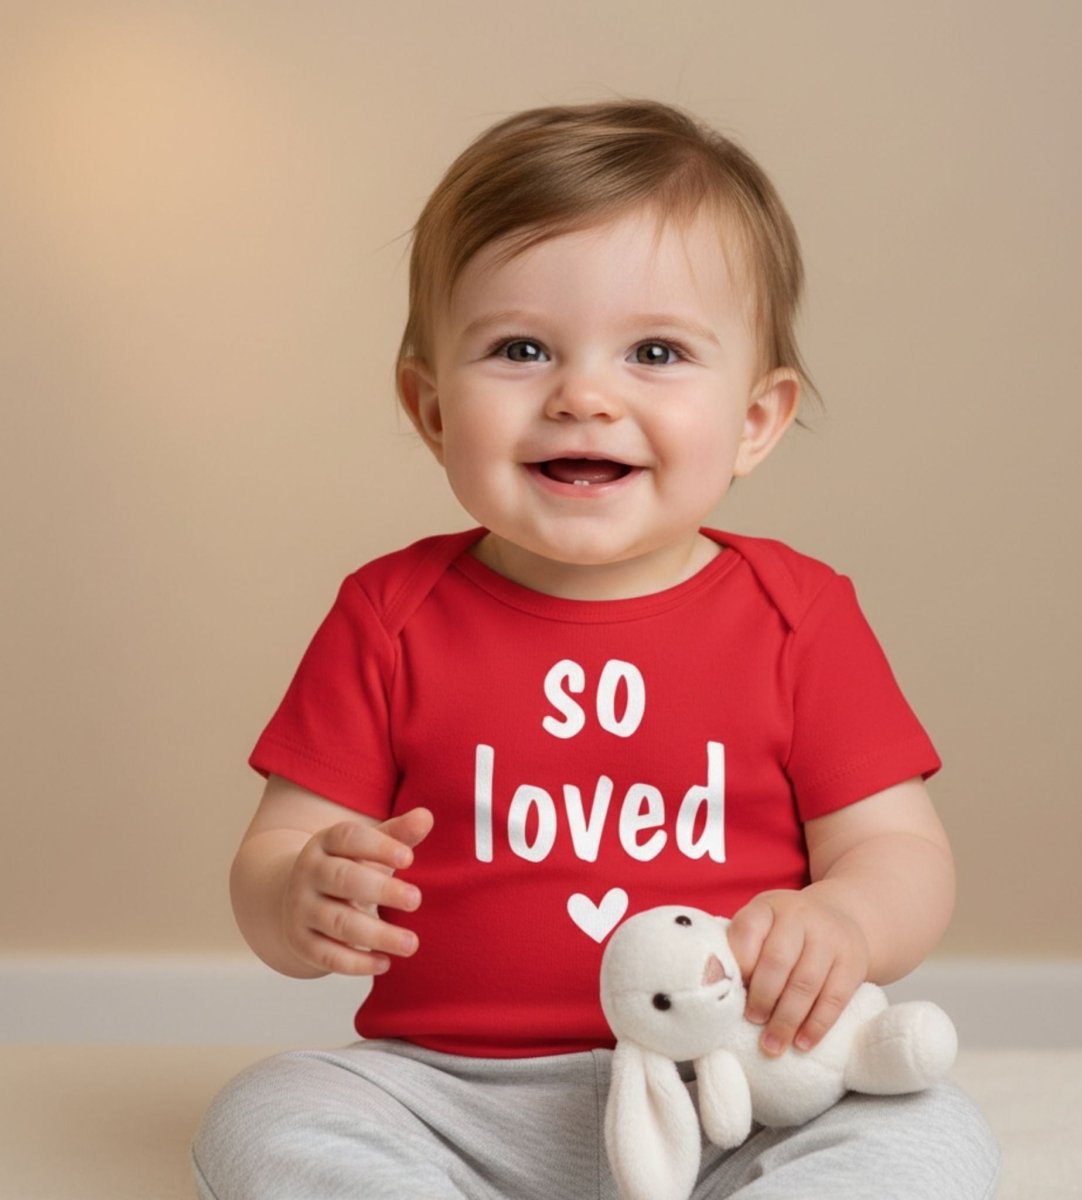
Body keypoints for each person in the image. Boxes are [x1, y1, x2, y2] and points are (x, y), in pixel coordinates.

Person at [193, 99, 1000, 1199]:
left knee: (928, 1131)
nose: (584, 394)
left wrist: (841, 918)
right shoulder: (389, 613)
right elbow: (271, 856)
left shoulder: (797, 613)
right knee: (271, 1110)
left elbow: (906, 854)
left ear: (756, 419)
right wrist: (301, 896)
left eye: (656, 352)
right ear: (430, 409)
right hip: (455, 1093)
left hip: (736, 1085)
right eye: (520, 348)